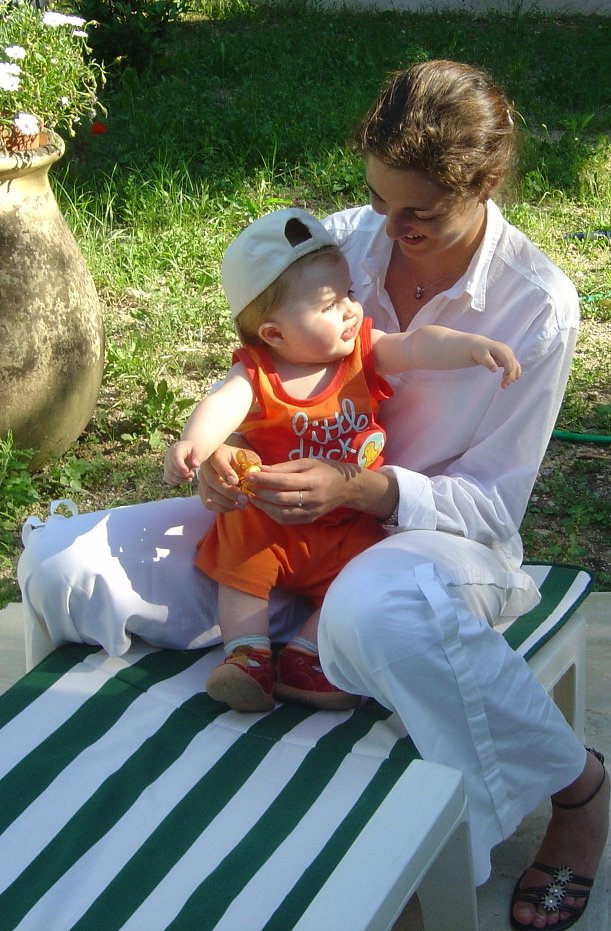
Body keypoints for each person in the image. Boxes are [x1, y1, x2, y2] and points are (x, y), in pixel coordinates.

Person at [17, 59, 608, 928]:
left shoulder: (534, 305)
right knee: (63, 566)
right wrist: (224, 460)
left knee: (375, 609)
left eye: (418, 212)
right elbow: (257, 377)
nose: (388, 227)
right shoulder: (337, 244)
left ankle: (577, 788)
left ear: (483, 184)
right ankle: (268, 651)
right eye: (376, 196)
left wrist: (362, 487)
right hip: (282, 528)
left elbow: (490, 506)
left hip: (429, 544)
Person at [163, 206, 520, 714]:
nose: (352, 309)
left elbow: (417, 344)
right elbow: (221, 405)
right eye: (332, 305)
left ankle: (307, 655)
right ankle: (247, 655)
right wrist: (195, 446)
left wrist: (470, 347)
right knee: (239, 547)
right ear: (275, 334)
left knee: (366, 564)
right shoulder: (258, 374)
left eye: (349, 292)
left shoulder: (361, 353)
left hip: (348, 516)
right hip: (272, 516)